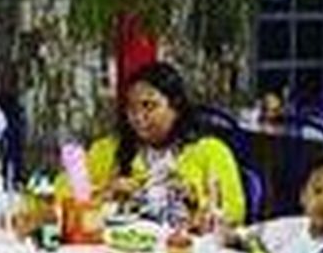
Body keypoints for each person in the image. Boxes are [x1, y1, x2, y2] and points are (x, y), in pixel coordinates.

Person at [87, 61, 246, 226]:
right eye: (131, 108)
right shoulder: (106, 150)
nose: (138, 117)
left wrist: (197, 203)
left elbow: (234, 214)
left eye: (148, 106)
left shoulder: (211, 152)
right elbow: (71, 201)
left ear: (175, 107)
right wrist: (105, 192)